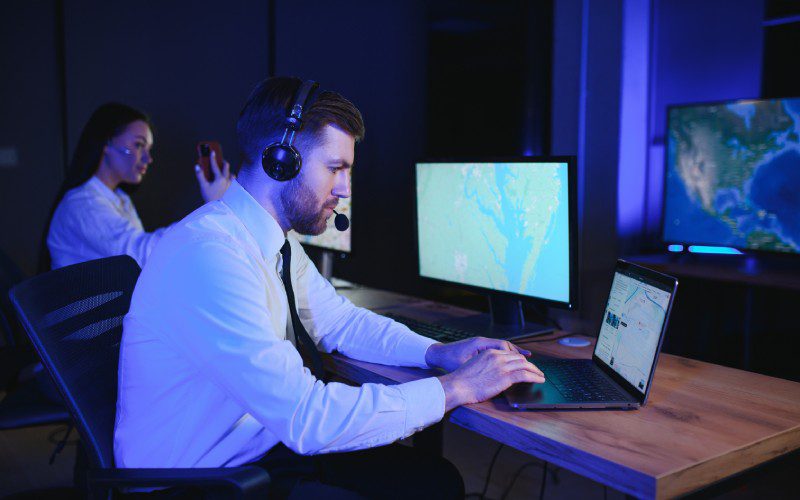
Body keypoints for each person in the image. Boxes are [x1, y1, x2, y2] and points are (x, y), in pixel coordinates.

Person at [114, 77, 545, 499]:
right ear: (280, 159)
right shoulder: (209, 257)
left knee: (434, 480)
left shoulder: (268, 239)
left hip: (258, 447)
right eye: (335, 169)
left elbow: (338, 320)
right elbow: (306, 418)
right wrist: (457, 388)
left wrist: (435, 352)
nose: (344, 190)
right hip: (199, 482)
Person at [44, 102, 232, 270]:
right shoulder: (83, 205)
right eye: (139, 145)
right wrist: (213, 208)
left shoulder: (119, 198)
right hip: (96, 309)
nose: (147, 158)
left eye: (148, 149)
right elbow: (139, 257)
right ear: (106, 143)